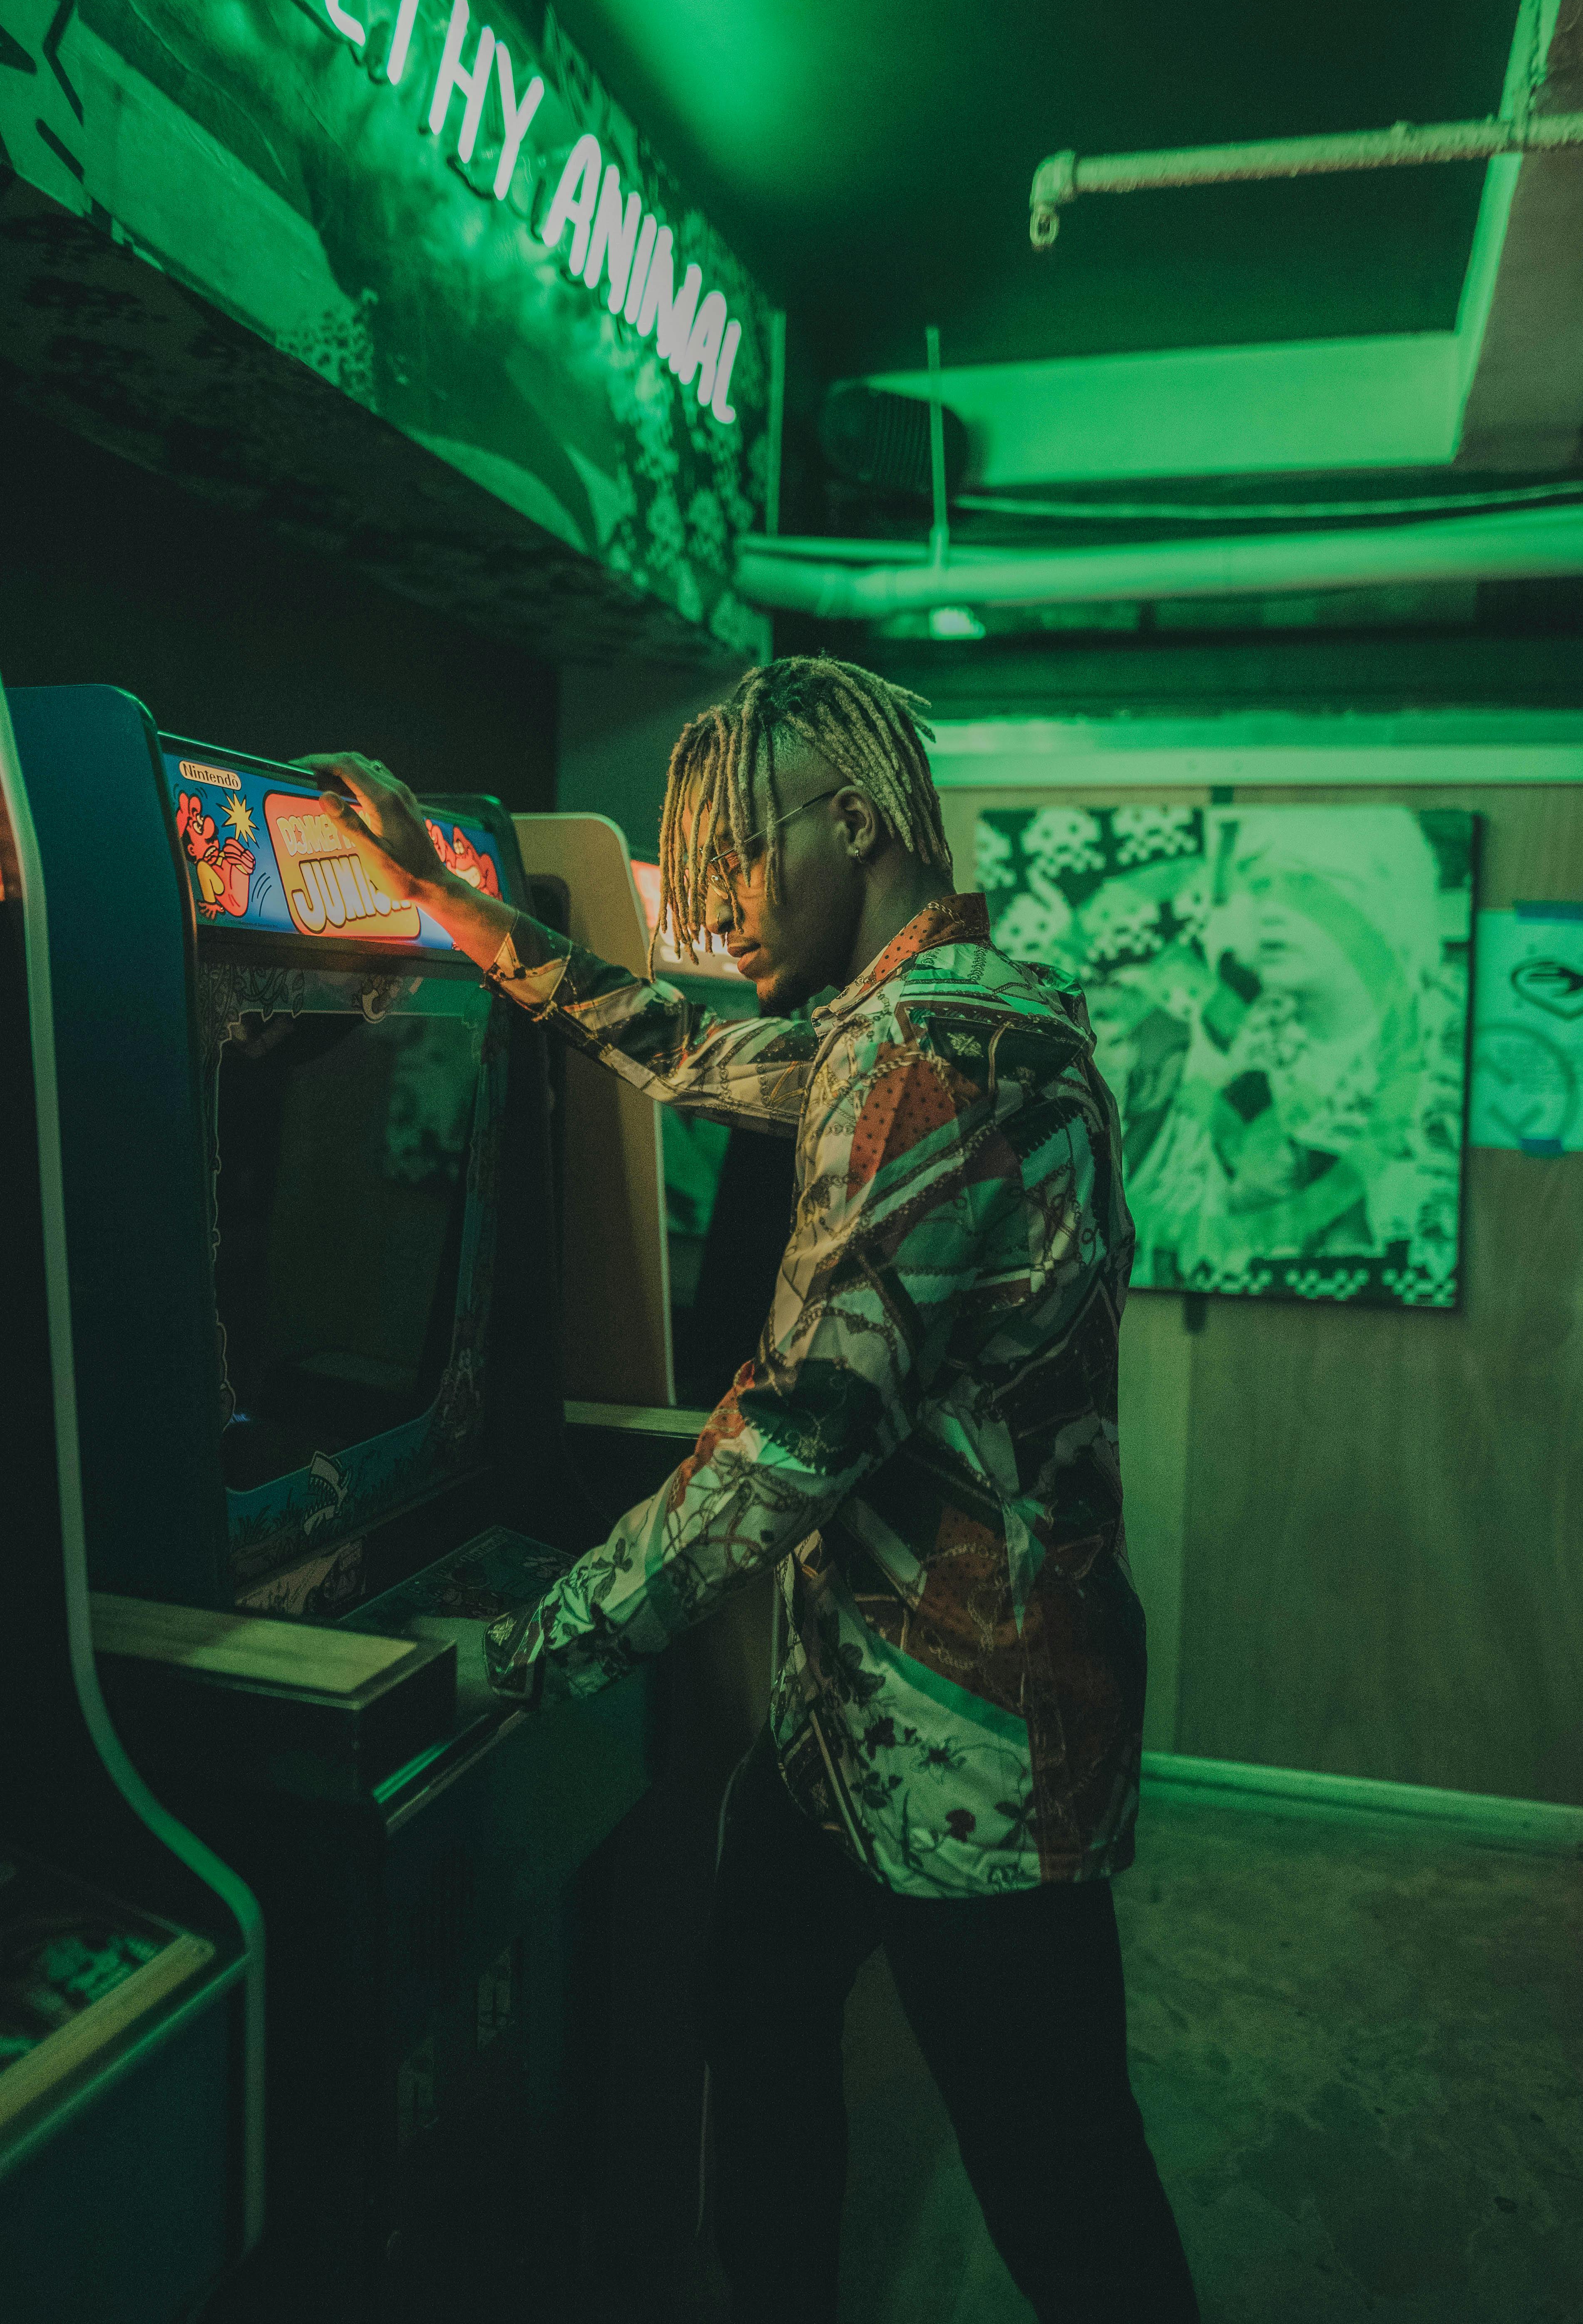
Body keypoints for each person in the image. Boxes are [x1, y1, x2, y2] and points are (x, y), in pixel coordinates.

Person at [303, 656, 1199, 2324]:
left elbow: (791, 1437)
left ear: (852, 818)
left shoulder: (931, 1062)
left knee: (1072, 2196)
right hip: (861, 1744)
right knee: (760, 2018)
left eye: (736, 852)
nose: (713, 902)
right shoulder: (942, 1013)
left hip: (974, 1774)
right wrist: (452, 901)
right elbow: (699, 1044)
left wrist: (530, 1643)